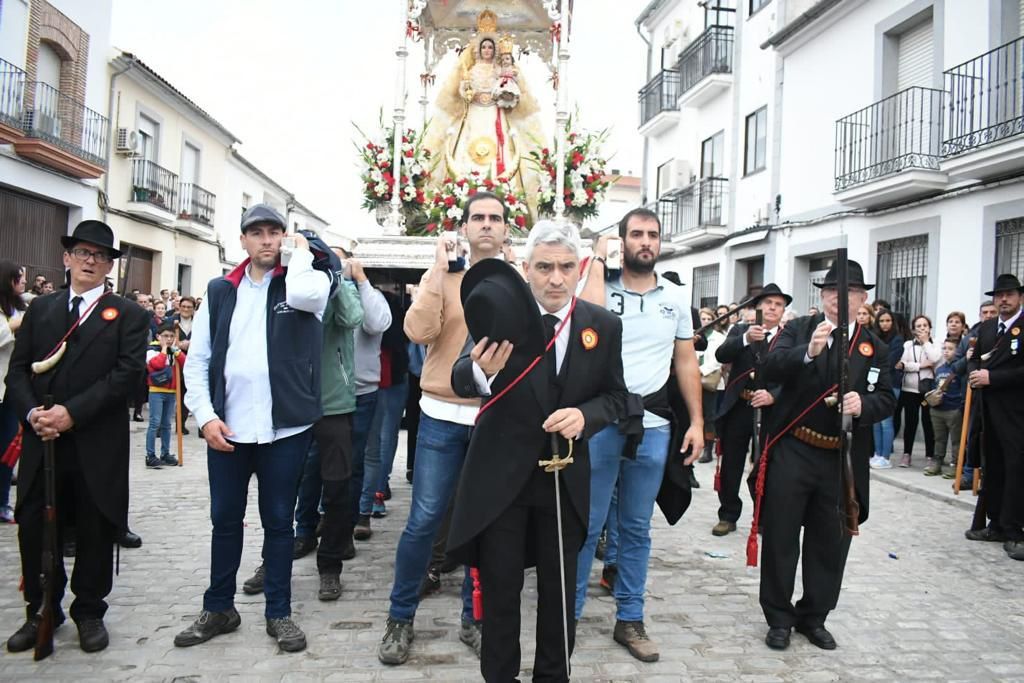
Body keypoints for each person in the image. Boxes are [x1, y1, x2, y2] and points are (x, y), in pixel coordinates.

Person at [447, 221, 627, 681]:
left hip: (563, 480)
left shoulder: (602, 324)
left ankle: (554, 675)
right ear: (525, 269)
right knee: (503, 592)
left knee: (560, 593)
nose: (555, 278)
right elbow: (460, 376)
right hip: (503, 480)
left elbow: (616, 397)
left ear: (581, 268)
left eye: (566, 267)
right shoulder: (501, 314)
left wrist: (586, 417)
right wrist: (481, 372)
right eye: (544, 267)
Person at [174, 204, 334, 653]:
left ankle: (278, 612)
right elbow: (200, 359)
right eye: (257, 233)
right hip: (228, 427)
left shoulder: (305, 282)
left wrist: (300, 252)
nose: (266, 240)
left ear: (285, 237)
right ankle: (219, 606)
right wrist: (204, 415)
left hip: (285, 429)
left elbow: (311, 297)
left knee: (279, 522)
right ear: (242, 240)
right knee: (224, 520)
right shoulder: (221, 290)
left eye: (275, 232)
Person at [377, 191, 510, 666]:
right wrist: (437, 270)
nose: (487, 225)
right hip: (440, 415)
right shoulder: (446, 272)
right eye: (479, 217)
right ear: (465, 225)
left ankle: (473, 618)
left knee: (485, 524)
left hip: (494, 418)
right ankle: (399, 617)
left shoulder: (518, 278)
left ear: (506, 228)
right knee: (424, 520)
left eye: (495, 218)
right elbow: (416, 331)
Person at [4, 220, 149, 654]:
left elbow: (125, 376)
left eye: (100, 256)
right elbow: (17, 370)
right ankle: (40, 608)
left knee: (93, 525)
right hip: (42, 439)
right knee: (34, 526)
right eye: (83, 252)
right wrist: (33, 413)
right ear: (67, 257)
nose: (90, 261)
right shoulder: (41, 310)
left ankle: (89, 610)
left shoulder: (128, 314)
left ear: (109, 266)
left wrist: (72, 414)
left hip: (95, 440)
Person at [575, 207, 704, 663]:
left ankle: (630, 618)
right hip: (601, 423)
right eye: (636, 234)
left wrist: (697, 422)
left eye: (652, 234)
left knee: (635, 528)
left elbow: (686, 362)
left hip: (653, 426)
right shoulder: (599, 287)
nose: (645, 241)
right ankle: (566, 618)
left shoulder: (674, 297)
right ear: (622, 240)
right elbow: (584, 319)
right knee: (586, 525)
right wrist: (596, 257)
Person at [756, 259, 895, 651]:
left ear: (863, 298)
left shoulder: (875, 346)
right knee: (782, 536)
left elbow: (886, 398)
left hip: (840, 458)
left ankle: (814, 617)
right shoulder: (798, 329)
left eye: (850, 293)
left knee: (829, 543)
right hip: (795, 447)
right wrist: (808, 351)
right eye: (833, 292)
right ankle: (779, 618)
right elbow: (770, 369)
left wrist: (863, 406)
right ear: (823, 296)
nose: (840, 300)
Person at [712, 283, 790, 537]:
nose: (772, 308)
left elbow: (795, 375)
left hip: (770, 410)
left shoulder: (789, 335)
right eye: (768, 303)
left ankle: (763, 516)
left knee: (766, 464)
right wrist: (746, 340)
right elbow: (721, 354)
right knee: (731, 463)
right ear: (757, 307)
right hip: (740, 406)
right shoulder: (741, 330)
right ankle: (728, 514)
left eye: (778, 304)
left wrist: (773, 396)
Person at [964, 274, 1024, 562]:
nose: (1003, 300)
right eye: (999, 295)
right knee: (994, 467)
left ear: (1019, 297)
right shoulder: (987, 328)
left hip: (1017, 412)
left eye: (1009, 294)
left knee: (1016, 469)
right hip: (988, 411)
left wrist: (993, 377)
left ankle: (1015, 530)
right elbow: (973, 358)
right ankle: (996, 523)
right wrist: (975, 373)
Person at [0, 261, 27, 523]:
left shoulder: (18, 308)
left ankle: (2, 500)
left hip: (11, 388)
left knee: (8, 447)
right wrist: (15, 326)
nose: (23, 284)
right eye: (20, 279)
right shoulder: (12, 316)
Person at [895, 315, 941, 468]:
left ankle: (930, 455)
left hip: (927, 390)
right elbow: (903, 364)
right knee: (910, 422)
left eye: (925, 325)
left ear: (929, 327)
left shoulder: (936, 343)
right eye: (918, 326)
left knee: (928, 423)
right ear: (913, 329)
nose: (922, 328)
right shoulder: (908, 344)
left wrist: (926, 342)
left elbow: (934, 358)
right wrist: (920, 366)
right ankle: (906, 454)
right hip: (909, 389)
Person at [144, 321, 185, 468]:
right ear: (158, 336)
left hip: (172, 391)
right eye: (165, 336)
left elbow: (185, 362)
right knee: (155, 423)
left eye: (171, 336)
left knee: (167, 424)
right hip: (156, 391)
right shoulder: (152, 350)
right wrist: (163, 349)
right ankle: (150, 455)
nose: (168, 339)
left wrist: (176, 350)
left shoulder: (173, 350)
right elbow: (157, 365)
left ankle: (165, 453)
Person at [869, 309, 904, 469]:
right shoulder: (873, 337)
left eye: (888, 320)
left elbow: (889, 362)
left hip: (890, 384)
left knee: (886, 421)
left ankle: (885, 457)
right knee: (876, 421)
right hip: (874, 383)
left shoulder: (897, 340)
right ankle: (877, 454)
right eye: (882, 321)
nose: (885, 324)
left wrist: (875, 367)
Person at [926, 337, 964, 477]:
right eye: (944, 348)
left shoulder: (959, 368)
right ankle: (937, 462)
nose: (946, 351)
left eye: (950, 349)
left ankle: (955, 464)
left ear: (957, 351)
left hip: (953, 409)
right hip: (938, 409)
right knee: (939, 438)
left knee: (956, 440)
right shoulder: (940, 368)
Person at [696, 307, 725, 464]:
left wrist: (701, 370)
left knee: (709, 415)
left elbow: (718, 359)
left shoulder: (719, 337)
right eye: (703, 318)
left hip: (709, 380)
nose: (705, 321)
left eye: (708, 318)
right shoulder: (694, 334)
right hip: (693, 380)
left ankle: (708, 449)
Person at [173, 296, 196, 434]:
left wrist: (191, 345)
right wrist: (178, 345)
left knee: (188, 395)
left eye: (189, 307)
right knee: (173, 395)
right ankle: (163, 425)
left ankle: (181, 424)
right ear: (179, 307)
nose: (186, 309)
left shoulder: (198, 322)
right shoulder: (172, 322)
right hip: (175, 361)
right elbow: (164, 336)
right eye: (184, 306)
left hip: (192, 362)